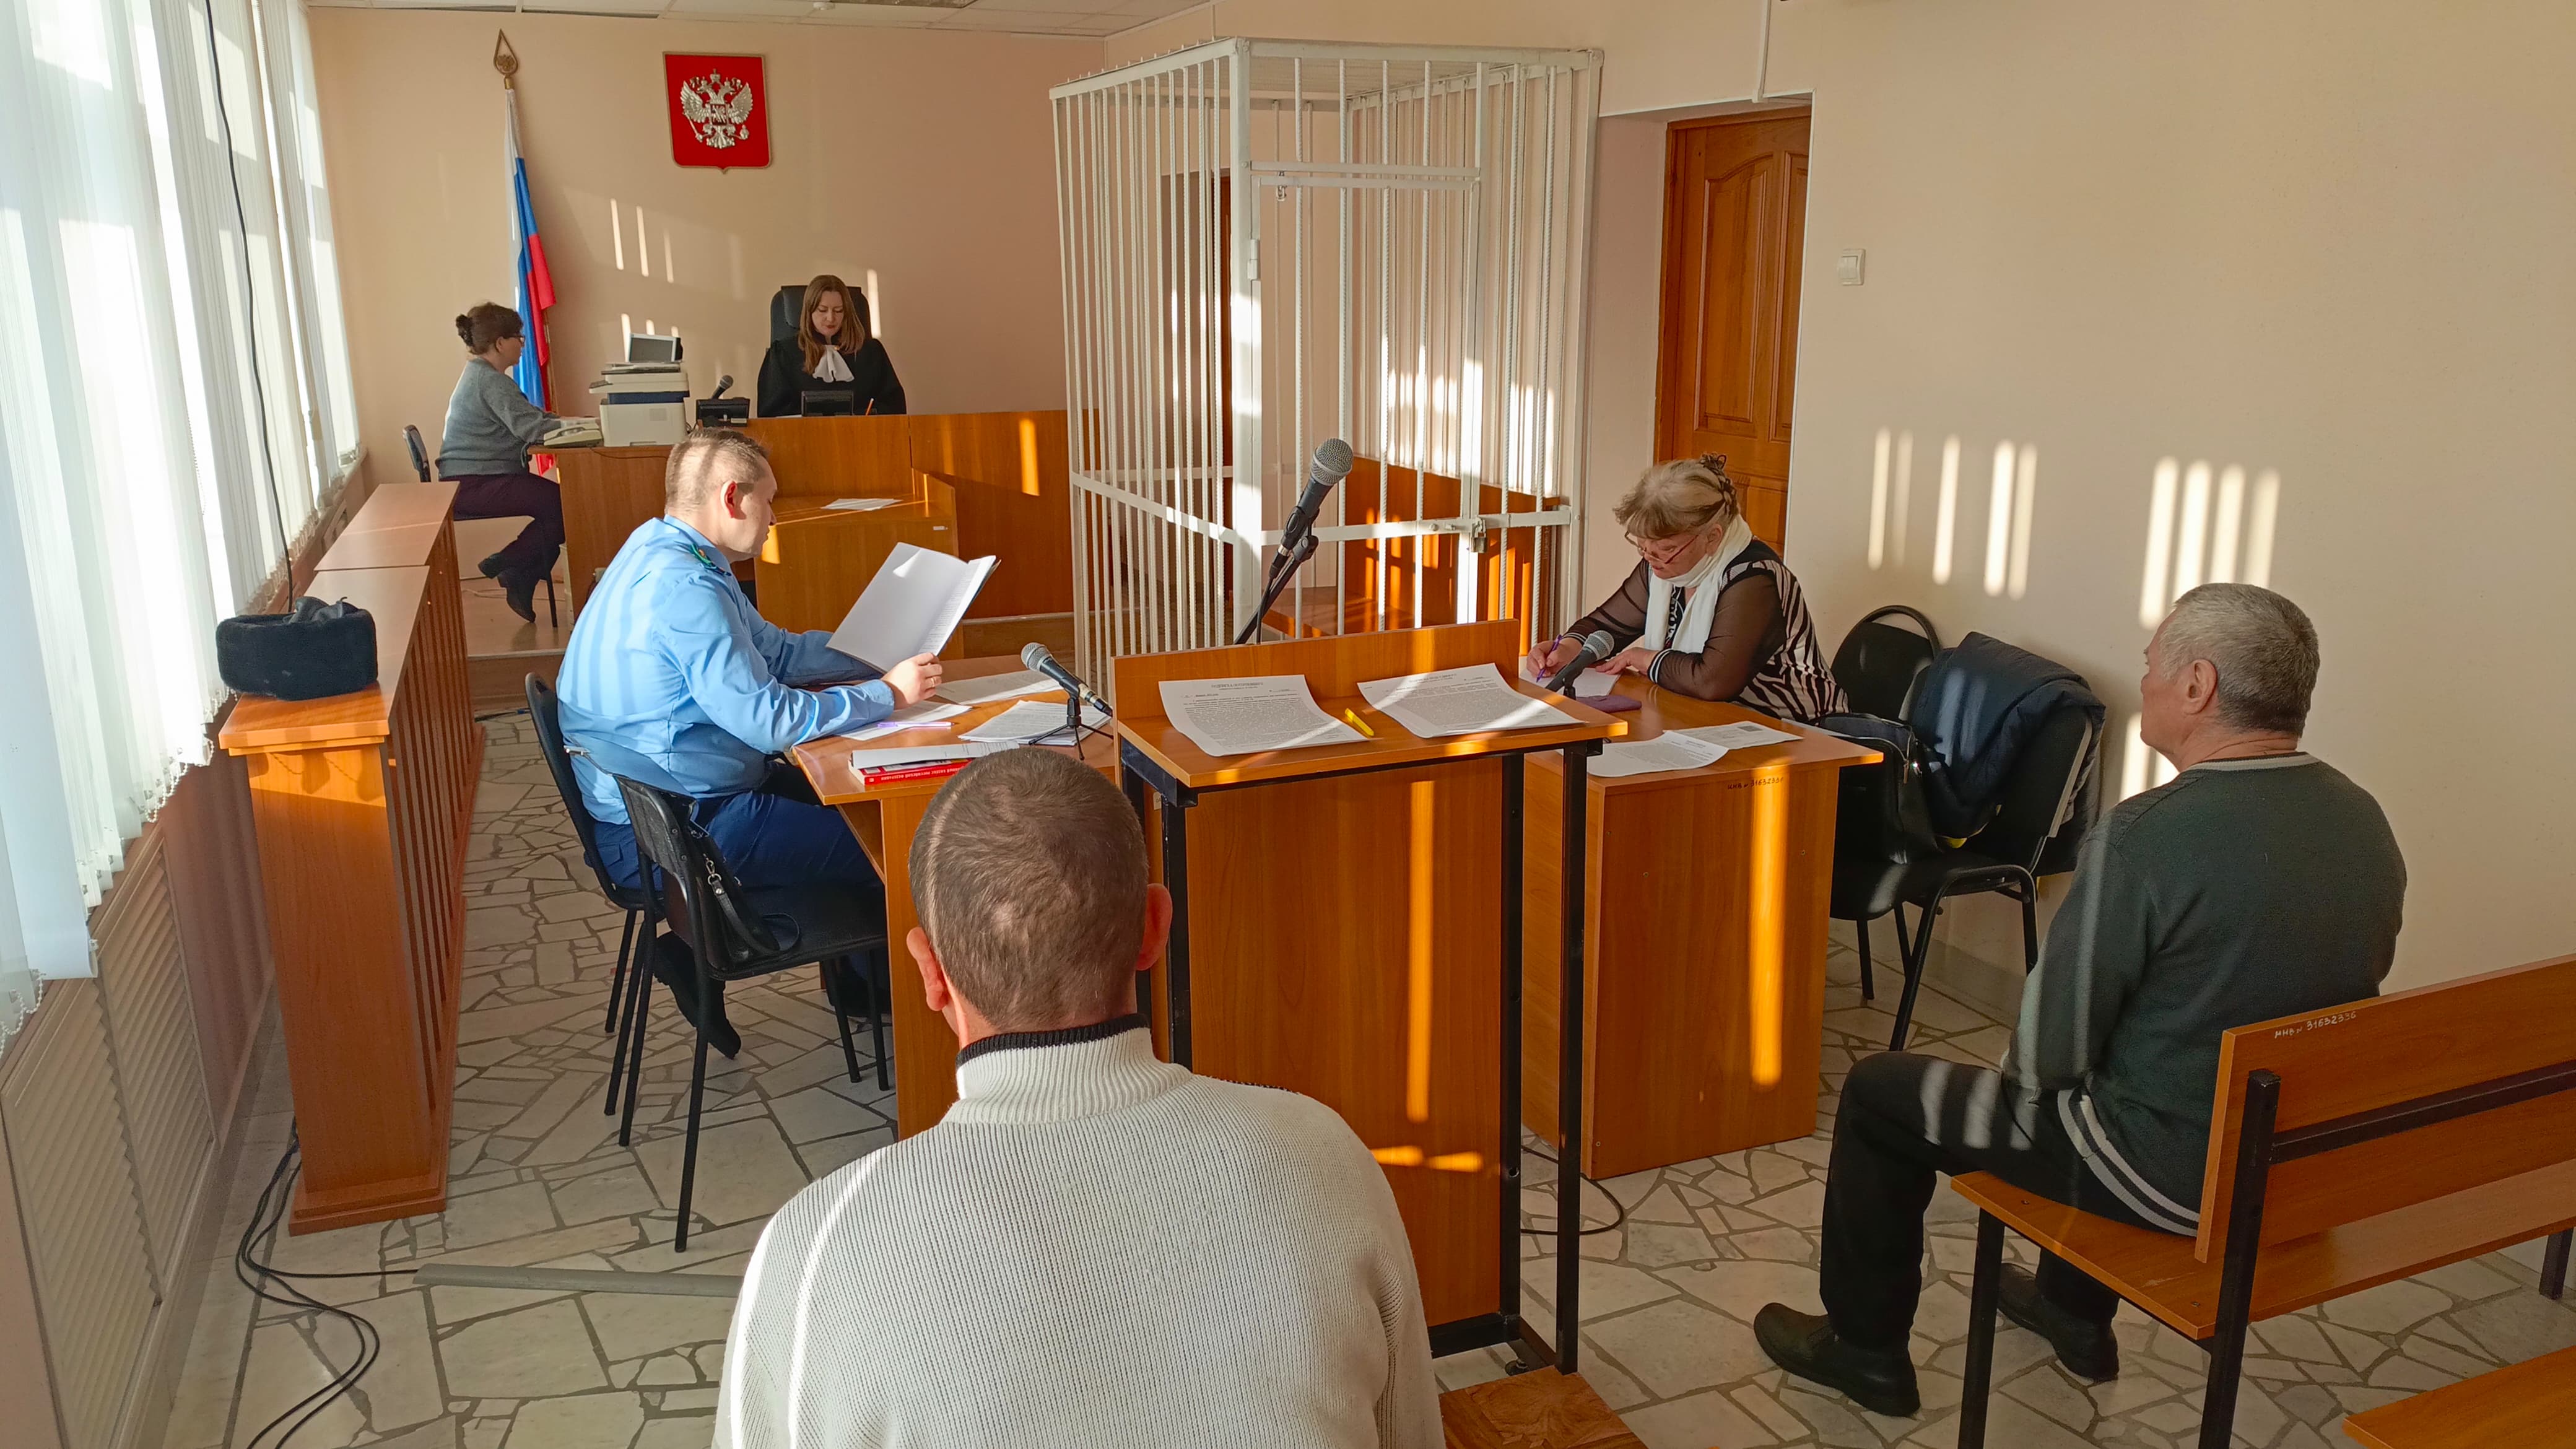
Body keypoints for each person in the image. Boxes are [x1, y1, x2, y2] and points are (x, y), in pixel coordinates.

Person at [1753, 583, 2406, 1416]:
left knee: (1884, 1093)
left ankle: (1864, 1351)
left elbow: (2045, 1055)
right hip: (2294, 1161)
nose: (2146, 680)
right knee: (2121, 1068)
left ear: (2198, 685)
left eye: (2153, 664)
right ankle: (2069, 1310)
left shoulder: (2147, 836)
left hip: (2169, 1176)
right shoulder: (2361, 817)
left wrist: (2030, 1086)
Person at [715, 747, 1442, 1449]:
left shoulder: (816, 1248)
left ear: (930, 973)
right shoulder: (1323, 1154)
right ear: (1154, 928)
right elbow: (1407, 1433)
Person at [555, 427, 942, 901]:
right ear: (732, 498)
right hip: (675, 832)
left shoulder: (662, 549)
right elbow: (769, 723)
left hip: (676, 804)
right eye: (770, 500)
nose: (774, 517)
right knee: (907, 849)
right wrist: (889, 695)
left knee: (865, 806)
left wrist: (877, 653)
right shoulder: (687, 588)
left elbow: (776, 652)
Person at [1526, 454, 1845, 720]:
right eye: (1643, 546)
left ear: (1713, 537)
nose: (1650, 558)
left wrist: (1645, 659)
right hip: (1710, 721)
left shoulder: (1754, 578)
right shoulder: (1666, 567)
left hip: (1799, 732)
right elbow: (1608, 625)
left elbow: (1712, 681)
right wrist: (1569, 649)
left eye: (1665, 548)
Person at [437, 302, 567, 622]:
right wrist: (585, 427)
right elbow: (532, 429)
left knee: (560, 505)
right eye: (518, 338)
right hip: (474, 484)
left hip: (478, 477)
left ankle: (517, 571)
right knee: (564, 506)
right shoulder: (490, 382)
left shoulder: (482, 375)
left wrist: (569, 424)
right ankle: (511, 564)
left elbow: (530, 418)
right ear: (499, 343)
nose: (523, 345)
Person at [757, 274, 905, 418]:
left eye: (838, 310)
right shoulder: (783, 353)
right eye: (822, 310)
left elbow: (894, 407)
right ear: (809, 311)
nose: (831, 318)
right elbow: (771, 414)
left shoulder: (872, 352)